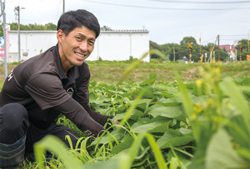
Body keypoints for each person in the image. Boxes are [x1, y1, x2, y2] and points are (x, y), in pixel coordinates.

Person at [0, 9, 118, 168]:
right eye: (79, 38)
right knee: (13, 113)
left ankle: (32, 156)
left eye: (90, 41)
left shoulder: (81, 70)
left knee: (73, 142)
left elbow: (84, 110)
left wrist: (118, 124)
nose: (84, 48)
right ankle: (9, 164)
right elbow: (78, 117)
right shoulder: (42, 72)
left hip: (40, 130)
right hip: (8, 130)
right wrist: (115, 143)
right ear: (60, 36)